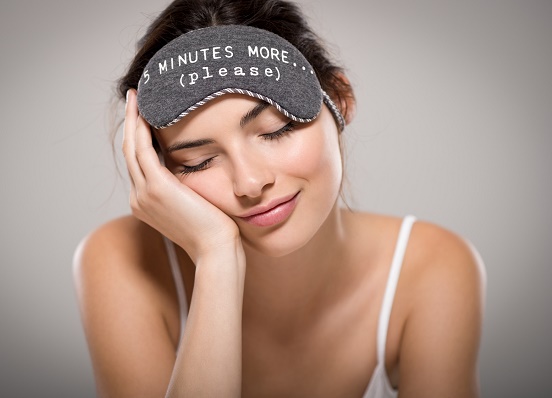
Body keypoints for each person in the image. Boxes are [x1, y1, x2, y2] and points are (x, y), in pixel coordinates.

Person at [73, 0, 486, 396]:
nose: (250, 182)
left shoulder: (432, 268)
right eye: (198, 161)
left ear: (340, 99)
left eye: (275, 130)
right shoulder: (120, 261)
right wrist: (217, 260)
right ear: (158, 170)